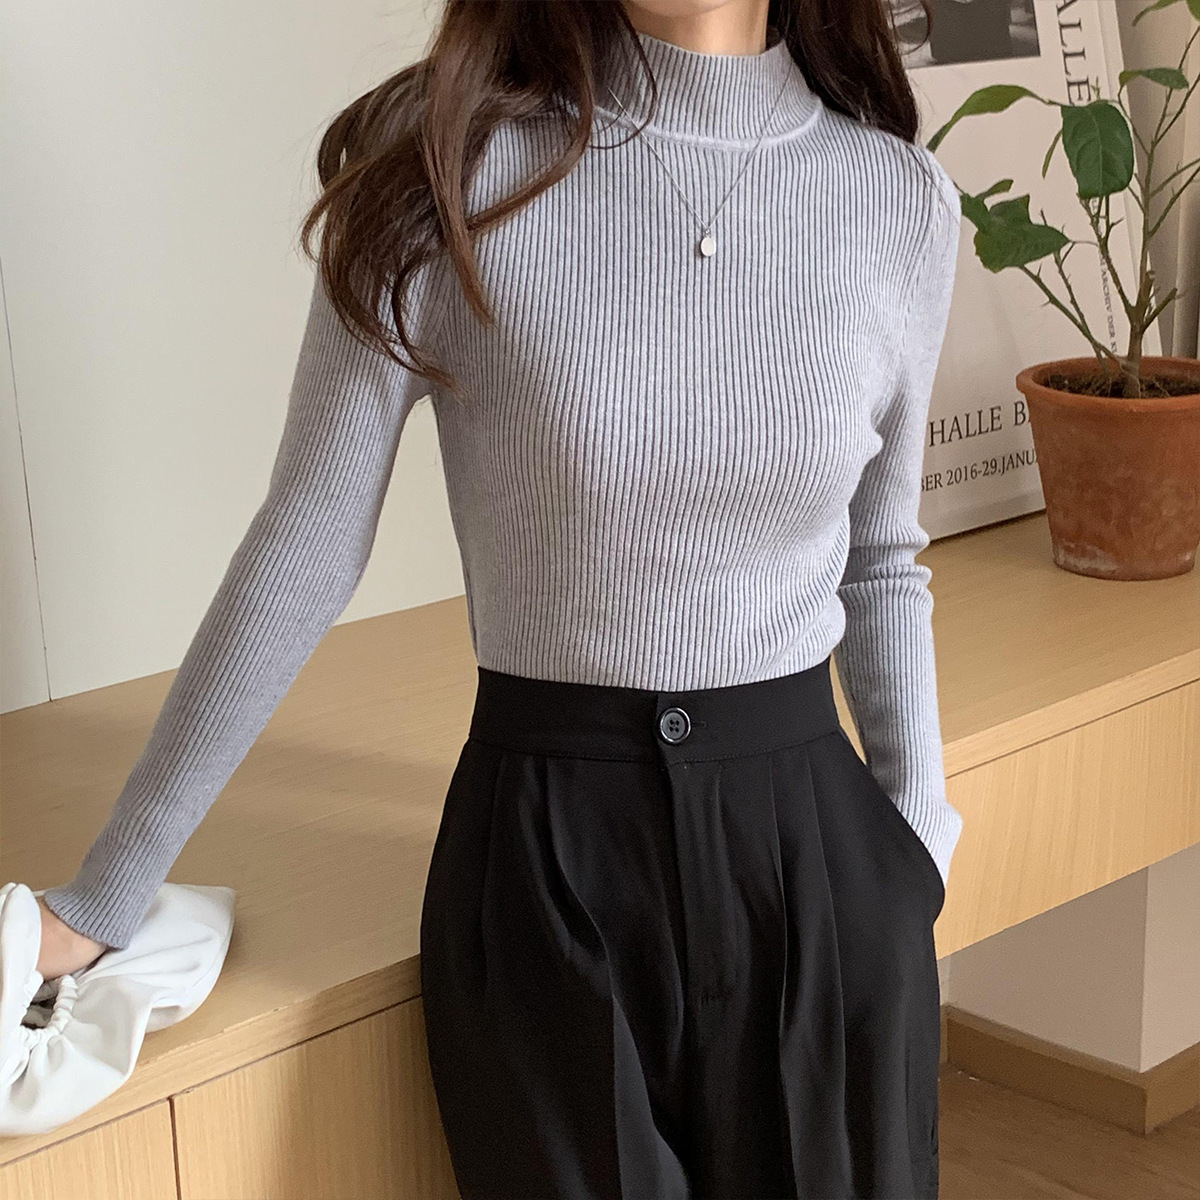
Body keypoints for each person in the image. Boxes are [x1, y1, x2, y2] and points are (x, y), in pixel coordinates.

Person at [37, 0, 965, 1196]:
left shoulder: (897, 199)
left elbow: (881, 556)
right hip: (543, 866)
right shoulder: (442, 161)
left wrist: (913, 845)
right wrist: (105, 894)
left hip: (817, 869)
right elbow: (307, 540)